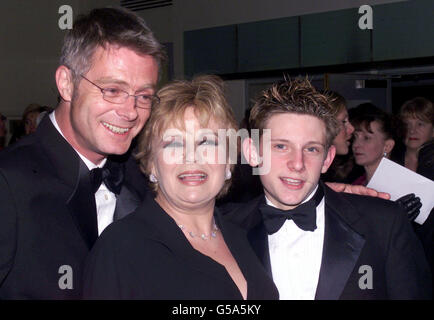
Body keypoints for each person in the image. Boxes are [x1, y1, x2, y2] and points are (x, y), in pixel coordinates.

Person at [0, 7, 165, 299]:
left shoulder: (145, 178)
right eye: (113, 90)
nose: (130, 112)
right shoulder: (9, 185)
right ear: (66, 83)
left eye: (144, 96)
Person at [224, 78, 431, 299]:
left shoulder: (383, 223)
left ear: (327, 159)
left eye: (311, 149)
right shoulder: (222, 229)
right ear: (253, 152)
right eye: (281, 146)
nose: (297, 163)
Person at [82, 76, 279, 299]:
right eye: (174, 143)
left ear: (228, 161)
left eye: (208, 142)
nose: (192, 156)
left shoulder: (246, 236)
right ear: (151, 164)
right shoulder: (120, 248)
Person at [350, 104, 396, 186]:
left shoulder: (398, 187)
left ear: (387, 146)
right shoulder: (357, 184)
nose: (356, 144)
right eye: (355, 137)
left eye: (366, 138)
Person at [398, 97, 434, 180]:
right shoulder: (390, 159)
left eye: (420, 124)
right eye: (407, 124)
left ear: (433, 131)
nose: (412, 131)